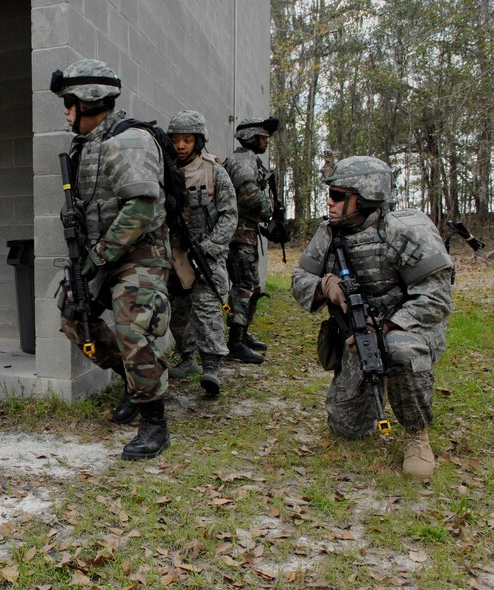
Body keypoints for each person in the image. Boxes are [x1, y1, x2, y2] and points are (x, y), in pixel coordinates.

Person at [291, 156, 452, 478]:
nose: (330, 201)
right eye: (331, 194)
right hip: (358, 335)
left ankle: (416, 434)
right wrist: (324, 286)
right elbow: (298, 278)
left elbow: (435, 297)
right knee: (347, 426)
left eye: (338, 195)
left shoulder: (404, 230)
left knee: (401, 351)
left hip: (408, 328)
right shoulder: (329, 233)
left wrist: (388, 327)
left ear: (364, 197)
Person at [51, 59, 172, 460]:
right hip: (101, 254)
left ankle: (154, 422)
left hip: (139, 253)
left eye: (69, 103)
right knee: (73, 321)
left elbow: (140, 210)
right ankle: (134, 382)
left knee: (130, 329)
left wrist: (97, 257)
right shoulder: (86, 144)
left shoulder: (128, 140)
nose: (66, 112)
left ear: (88, 102)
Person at [165, 110, 237, 397]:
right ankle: (187, 360)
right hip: (177, 255)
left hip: (207, 254)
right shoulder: (165, 171)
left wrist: (209, 248)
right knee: (178, 314)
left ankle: (211, 368)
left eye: (187, 140)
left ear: (198, 141)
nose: (181, 146)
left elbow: (229, 215)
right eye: (175, 140)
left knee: (208, 311)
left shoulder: (213, 171)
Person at [223, 117, 279, 364]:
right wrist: (270, 210)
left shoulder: (249, 160)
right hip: (238, 236)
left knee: (253, 286)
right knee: (243, 286)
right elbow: (249, 196)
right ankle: (235, 343)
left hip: (246, 234)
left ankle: (242, 334)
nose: (266, 142)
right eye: (263, 137)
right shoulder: (242, 161)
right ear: (251, 137)